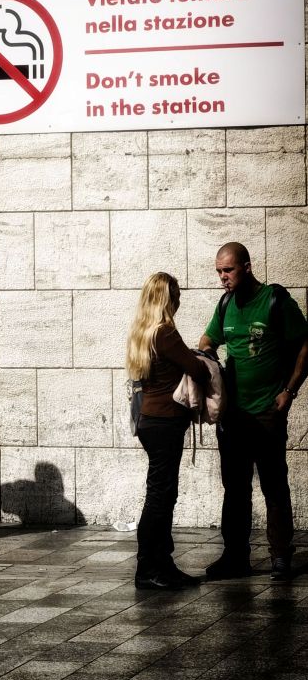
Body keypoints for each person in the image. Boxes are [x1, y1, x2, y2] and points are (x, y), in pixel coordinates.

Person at [199, 242, 308, 582]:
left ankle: (281, 556)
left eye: (228, 270)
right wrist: (207, 355)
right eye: (219, 271)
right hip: (234, 416)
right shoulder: (226, 304)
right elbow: (208, 339)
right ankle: (235, 556)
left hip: (266, 413)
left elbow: (305, 344)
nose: (223, 277)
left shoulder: (275, 300)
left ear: (246, 267)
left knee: (274, 485)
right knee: (235, 488)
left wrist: (290, 391)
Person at [126, 272, 210, 590]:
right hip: (165, 422)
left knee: (162, 494)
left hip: (150, 420)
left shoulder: (142, 332)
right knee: (160, 497)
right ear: (167, 298)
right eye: (176, 294)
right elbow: (197, 369)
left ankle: (163, 563)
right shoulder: (165, 333)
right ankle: (149, 568)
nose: (179, 300)